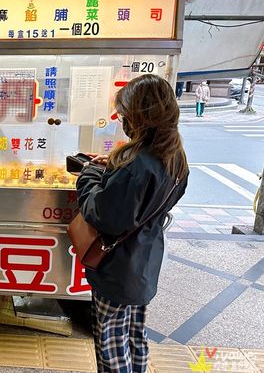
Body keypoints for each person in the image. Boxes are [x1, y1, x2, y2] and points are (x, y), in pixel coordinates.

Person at [74, 74, 189, 373]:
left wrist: (88, 174)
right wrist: (113, 167)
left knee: (110, 340)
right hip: (145, 262)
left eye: (125, 114)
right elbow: (150, 202)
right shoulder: (175, 157)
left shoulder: (137, 165)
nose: (122, 120)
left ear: (141, 116)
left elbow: (104, 215)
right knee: (135, 335)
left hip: (118, 268)